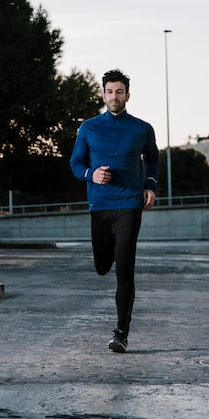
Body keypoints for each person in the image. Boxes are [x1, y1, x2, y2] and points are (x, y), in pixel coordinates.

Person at [70, 69, 159, 353]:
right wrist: (90, 174)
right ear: (103, 94)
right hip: (100, 205)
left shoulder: (142, 128)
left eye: (119, 92)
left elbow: (153, 159)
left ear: (127, 95)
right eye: (110, 91)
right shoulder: (89, 128)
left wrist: (150, 185)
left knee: (124, 268)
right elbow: (75, 163)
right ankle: (104, 261)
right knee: (102, 266)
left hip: (129, 205)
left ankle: (121, 332)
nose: (114, 96)